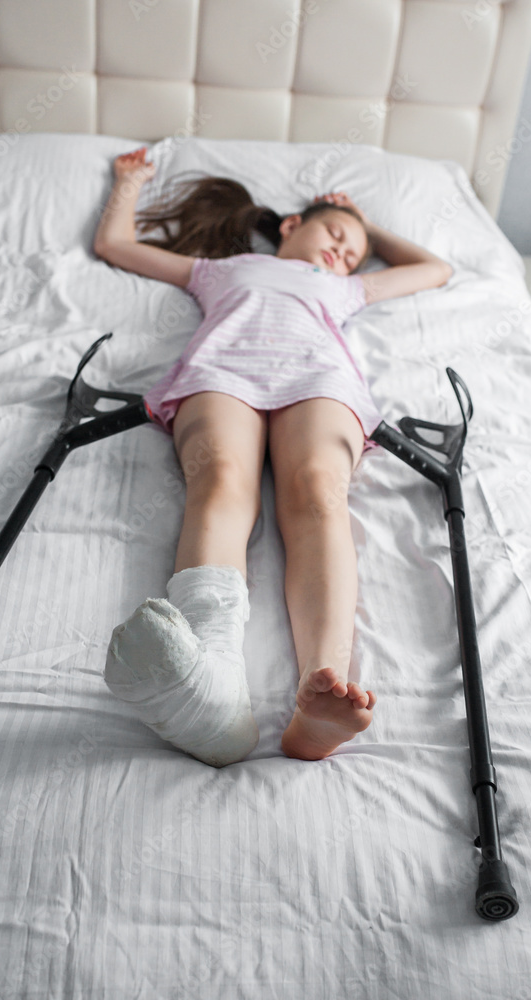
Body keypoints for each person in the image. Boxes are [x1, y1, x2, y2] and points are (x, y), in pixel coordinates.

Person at [95, 146, 454, 768]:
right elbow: (116, 247)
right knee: (221, 480)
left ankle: (323, 690)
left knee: (318, 494)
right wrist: (127, 183)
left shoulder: (344, 285)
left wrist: (364, 222)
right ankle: (211, 680)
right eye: (336, 235)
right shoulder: (221, 268)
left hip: (319, 380)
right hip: (225, 373)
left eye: (353, 250)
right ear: (292, 224)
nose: (344, 252)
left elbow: (436, 268)